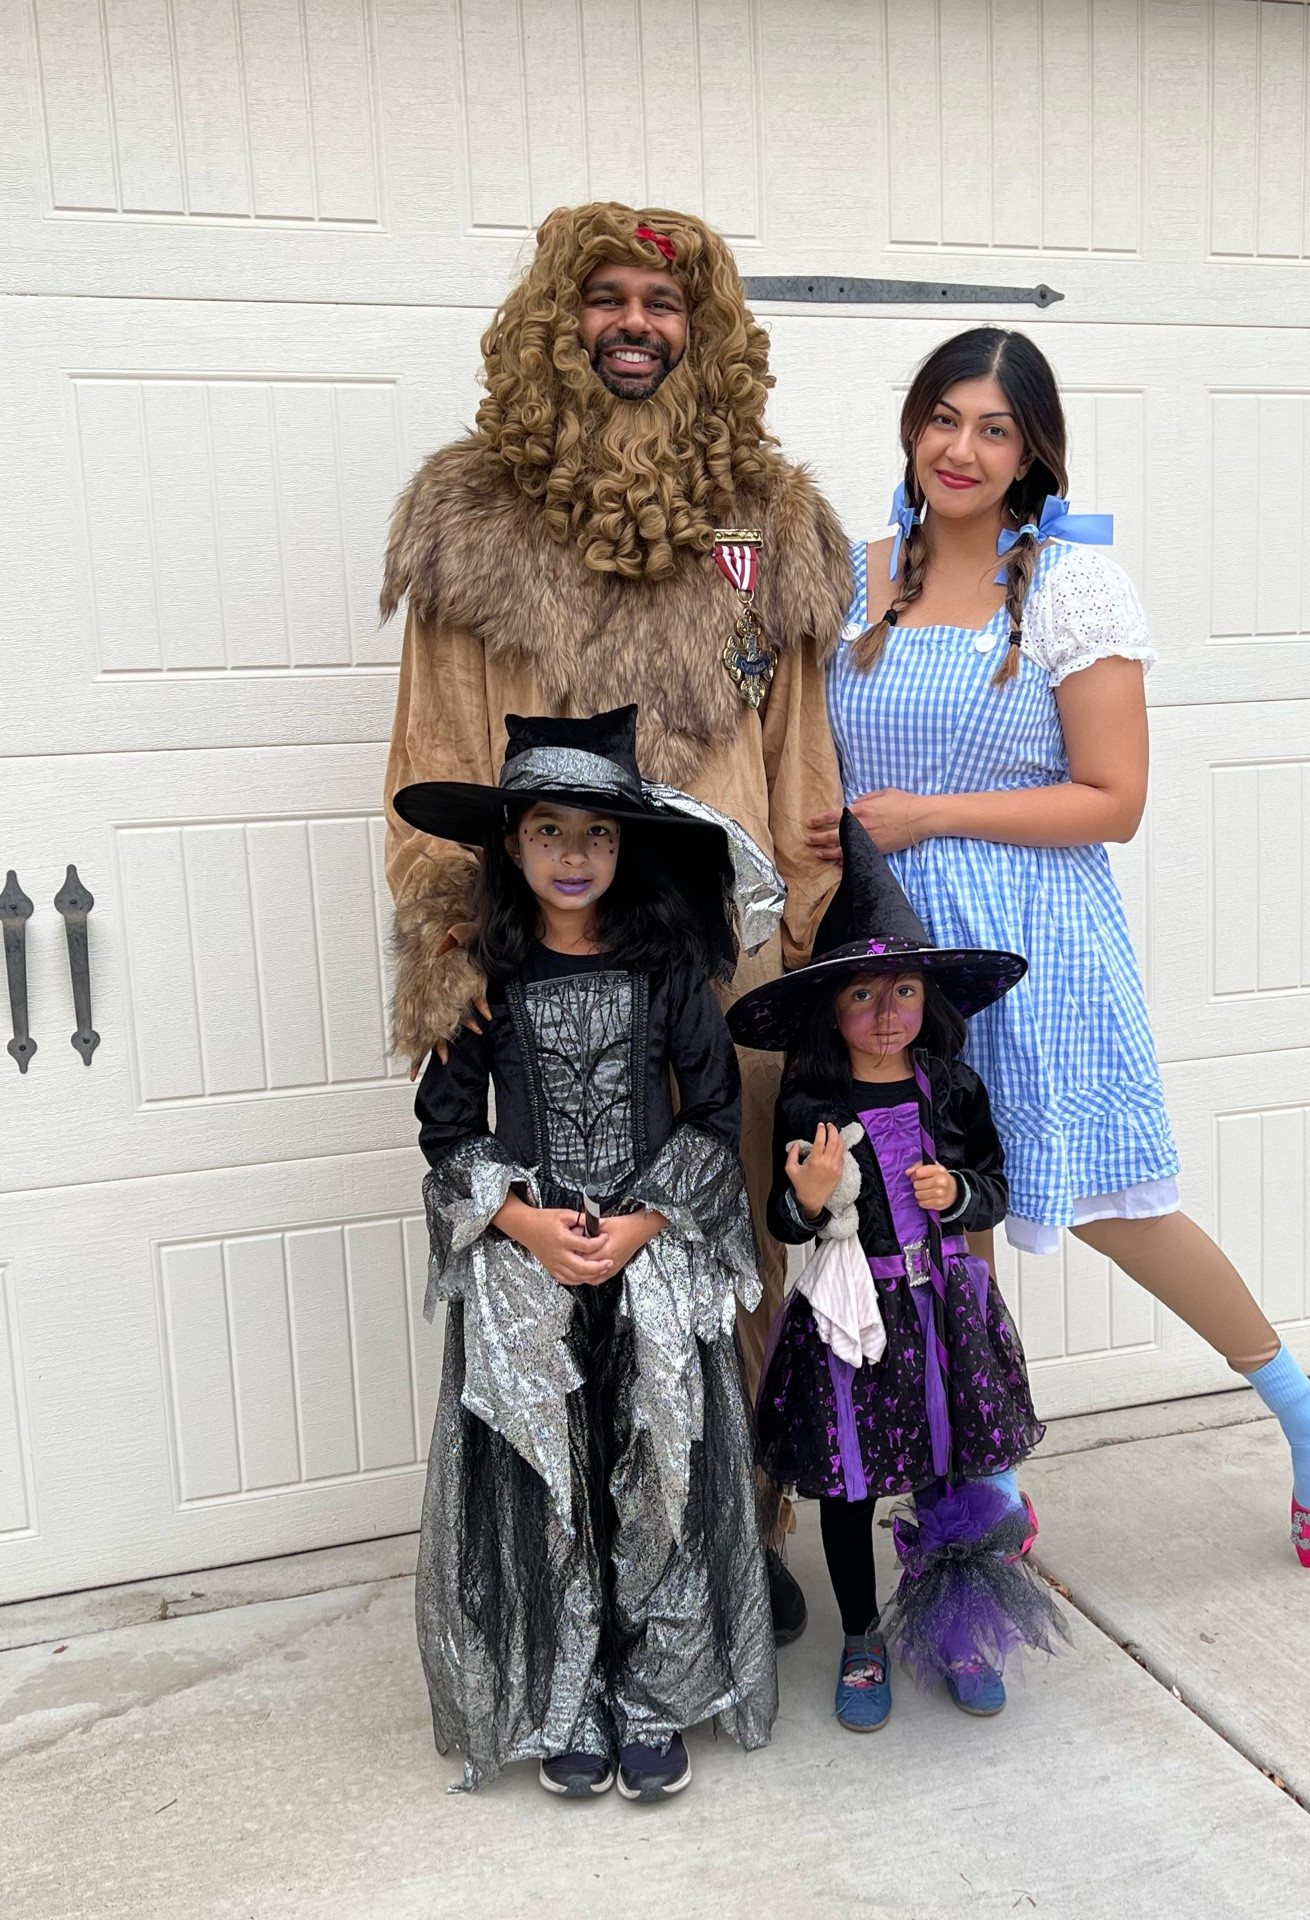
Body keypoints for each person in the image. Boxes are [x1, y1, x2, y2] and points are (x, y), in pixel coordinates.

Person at [810, 327, 1310, 1569]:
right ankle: (986, 1485)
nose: (962, 448)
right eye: (943, 418)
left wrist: (923, 813)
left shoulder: (1069, 587)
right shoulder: (852, 576)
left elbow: (1115, 798)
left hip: (1032, 942)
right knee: (938, 1218)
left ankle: (1304, 1408)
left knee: (1114, 1202)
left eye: (994, 429)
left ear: (1032, 452)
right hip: (893, 949)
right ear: (911, 426)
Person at [382, 201, 851, 1635]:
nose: (637, 325)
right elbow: (438, 754)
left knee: (728, 1257)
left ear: (702, 334)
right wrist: (456, 961)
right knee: (565, 1266)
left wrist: (809, 964)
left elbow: (801, 765)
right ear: (555, 321)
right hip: (544, 968)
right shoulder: (474, 518)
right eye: (608, 299)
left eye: (665, 302)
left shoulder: (765, 522)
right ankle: (575, 1561)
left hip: (723, 967)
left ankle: (733, 1530)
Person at [400, 707, 777, 1801]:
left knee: (656, 1472)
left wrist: (645, 1224)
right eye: (551, 831)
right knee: (553, 1481)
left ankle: (656, 1692)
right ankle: (570, 1695)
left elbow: (711, 1116)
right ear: (511, 844)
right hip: (533, 1266)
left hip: (650, 1257)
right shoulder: (489, 982)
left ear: (626, 847)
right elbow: (446, 1128)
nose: (576, 856)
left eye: (598, 834)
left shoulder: (667, 973)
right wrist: (519, 1223)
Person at [728, 813, 1066, 1732]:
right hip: (852, 1319)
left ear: (930, 1000)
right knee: (851, 1479)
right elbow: (782, 1216)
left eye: (906, 990)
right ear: (832, 1011)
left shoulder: (950, 1087)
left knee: (951, 1470)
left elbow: (993, 1189)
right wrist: (809, 1194)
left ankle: (960, 1622)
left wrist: (955, 1192)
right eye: (866, 995)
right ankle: (862, 1636)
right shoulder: (813, 1098)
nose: (888, 1013)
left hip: (943, 1309)